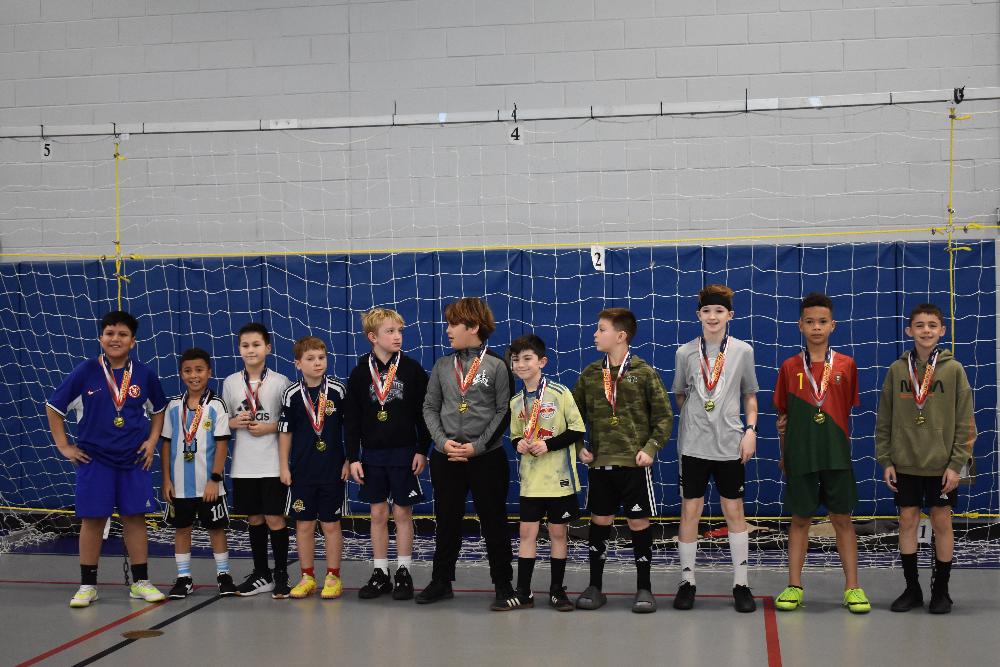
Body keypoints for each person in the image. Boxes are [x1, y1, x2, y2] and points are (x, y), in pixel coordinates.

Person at [46, 310, 168, 608]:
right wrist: (64, 446)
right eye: (110, 333)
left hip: (133, 459)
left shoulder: (144, 374)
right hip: (94, 460)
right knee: (93, 520)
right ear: (101, 337)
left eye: (123, 334)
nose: (116, 339)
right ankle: (88, 585)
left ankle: (140, 581)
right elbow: (54, 407)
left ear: (133, 341)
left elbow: (160, 409)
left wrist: (152, 441)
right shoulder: (85, 371)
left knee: (135, 519)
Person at [875, 303, 975, 614]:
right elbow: (884, 420)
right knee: (907, 521)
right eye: (919, 325)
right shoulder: (896, 370)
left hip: (942, 466)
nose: (926, 330)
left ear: (942, 331)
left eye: (932, 325)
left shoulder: (953, 369)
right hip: (905, 463)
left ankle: (941, 590)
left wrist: (957, 464)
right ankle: (912, 588)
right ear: (910, 331)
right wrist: (886, 460)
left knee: (942, 521)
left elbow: (965, 421)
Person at [773, 292, 870, 614]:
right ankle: (794, 585)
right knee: (800, 519)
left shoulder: (847, 365)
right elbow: (783, 420)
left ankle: (853, 587)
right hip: (801, 457)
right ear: (800, 325)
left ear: (833, 326)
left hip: (836, 456)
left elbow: (847, 410)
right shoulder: (789, 367)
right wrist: (785, 454)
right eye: (810, 322)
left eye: (823, 322)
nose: (817, 327)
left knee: (842, 519)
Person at [572, 308, 673, 613]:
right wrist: (578, 446)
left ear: (621, 336)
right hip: (600, 464)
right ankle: (595, 586)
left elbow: (665, 417)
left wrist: (651, 448)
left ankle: (644, 588)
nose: (595, 334)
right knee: (599, 521)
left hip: (635, 466)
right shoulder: (590, 374)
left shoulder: (644, 372)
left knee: (638, 523)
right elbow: (572, 417)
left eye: (601, 329)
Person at [417, 297, 515, 609]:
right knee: (446, 520)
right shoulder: (442, 366)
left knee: (493, 522)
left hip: (486, 457)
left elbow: (504, 412)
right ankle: (441, 581)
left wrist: (477, 447)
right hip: (446, 456)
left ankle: (503, 584)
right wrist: (442, 442)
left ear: (472, 327)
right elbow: (430, 406)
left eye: (453, 324)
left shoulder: (497, 365)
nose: (447, 330)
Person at [672, 284, 759, 613]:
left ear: (729, 315)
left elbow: (750, 394)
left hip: (729, 445)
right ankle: (688, 581)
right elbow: (680, 395)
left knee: (734, 511)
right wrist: (700, 415)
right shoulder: (685, 353)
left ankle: (741, 583)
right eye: (707, 311)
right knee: (689, 511)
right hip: (694, 446)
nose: (712, 316)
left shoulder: (743, 351)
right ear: (699, 315)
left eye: (719, 311)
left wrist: (750, 431)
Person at [345, 308, 430, 601]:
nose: (397, 336)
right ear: (373, 337)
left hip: (405, 453)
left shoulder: (412, 369)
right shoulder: (358, 374)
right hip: (371, 456)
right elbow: (352, 420)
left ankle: (404, 571)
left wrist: (422, 449)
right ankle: (380, 571)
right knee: (377, 513)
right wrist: (353, 457)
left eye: (400, 331)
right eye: (390, 331)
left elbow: (424, 414)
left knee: (402, 512)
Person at [499, 334, 586, 611]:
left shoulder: (560, 393)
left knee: (558, 534)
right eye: (516, 360)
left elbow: (576, 429)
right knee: (527, 534)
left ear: (542, 361)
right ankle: (523, 591)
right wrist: (519, 443)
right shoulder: (515, 402)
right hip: (531, 481)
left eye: (527, 359)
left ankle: (557, 591)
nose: (521, 365)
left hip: (559, 480)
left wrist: (547, 445)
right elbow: (513, 435)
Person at [222, 323, 293, 598]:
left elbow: (290, 423)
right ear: (239, 349)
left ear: (268, 348)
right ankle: (261, 574)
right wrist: (233, 421)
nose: (250, 350)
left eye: (256, 345)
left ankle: (282, 576)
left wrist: (270, 427)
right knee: (254, 519)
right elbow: (221, 422)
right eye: (245, 345)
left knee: (275, 518)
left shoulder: (280, 381)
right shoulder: (230, 383)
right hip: (244, 465)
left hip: (273, 463)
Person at [278, 336, 350, 600]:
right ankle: (307, 576)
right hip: (302, 470)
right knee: (304, 525)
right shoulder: (291, 394)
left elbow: (350, 429)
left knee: (331, 525)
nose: (317, 363)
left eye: (321, 358)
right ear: (298, 363)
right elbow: (285, 432)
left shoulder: (339, 391)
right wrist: (283, 466)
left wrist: (348, 459)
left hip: (332, 470)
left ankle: (333, 576)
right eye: (310, 359)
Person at [161, 348, 235, 598]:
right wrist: (166, 480)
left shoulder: (216, 405)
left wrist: (215, 479)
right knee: (181, 529)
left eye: (199, 370)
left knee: (216, 529)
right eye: (188, 371)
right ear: (181, 374)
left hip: (209, 485)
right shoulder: (172, 407)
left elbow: (222, 443)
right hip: (180, 485)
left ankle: (223, 575)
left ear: (209, 372)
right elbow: (167, 444)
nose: (194, 375)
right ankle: (184, 578)